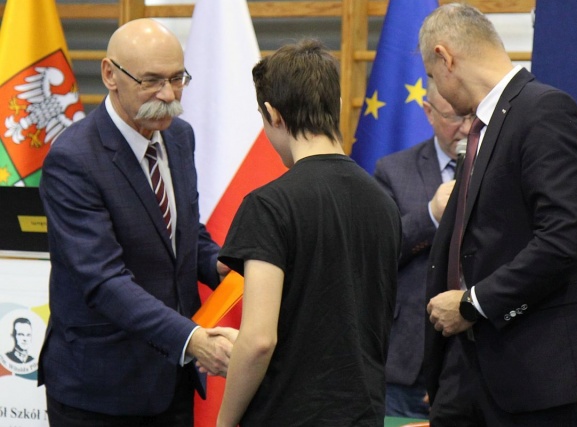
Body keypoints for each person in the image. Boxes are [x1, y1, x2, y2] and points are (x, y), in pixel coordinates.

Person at [418, 4, 577, 426]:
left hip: (548, 381)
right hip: (473, 374)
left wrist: (472, 305)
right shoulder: (486, 126)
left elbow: (563, 241)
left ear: (445, 57)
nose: (436, 88)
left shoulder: (545, 110)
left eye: (432, 76)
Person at [38, 18, 236, 426]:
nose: (168, 95)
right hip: (99, 392)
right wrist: (192, 340)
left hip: (172, 382)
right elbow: (104, 280)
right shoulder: (73, 159)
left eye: (177, 79)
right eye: (151, 81)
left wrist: (221, 265)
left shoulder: (179, 137)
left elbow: (183, 233)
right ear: (110, 74)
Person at [213, 39, 402, 427]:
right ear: (335, 104)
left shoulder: (268, 205)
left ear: (273, 114)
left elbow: (259, 340)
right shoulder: (384, 203)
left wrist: (224, 422)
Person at [373, 79, 470, 418]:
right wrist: (431, 215)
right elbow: (377, 251)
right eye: (455, 117)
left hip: (477, 359)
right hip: (407, 362)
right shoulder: (393, 170)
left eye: (472, 115)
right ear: (429, 113)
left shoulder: (498, 167)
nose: (466, 128)